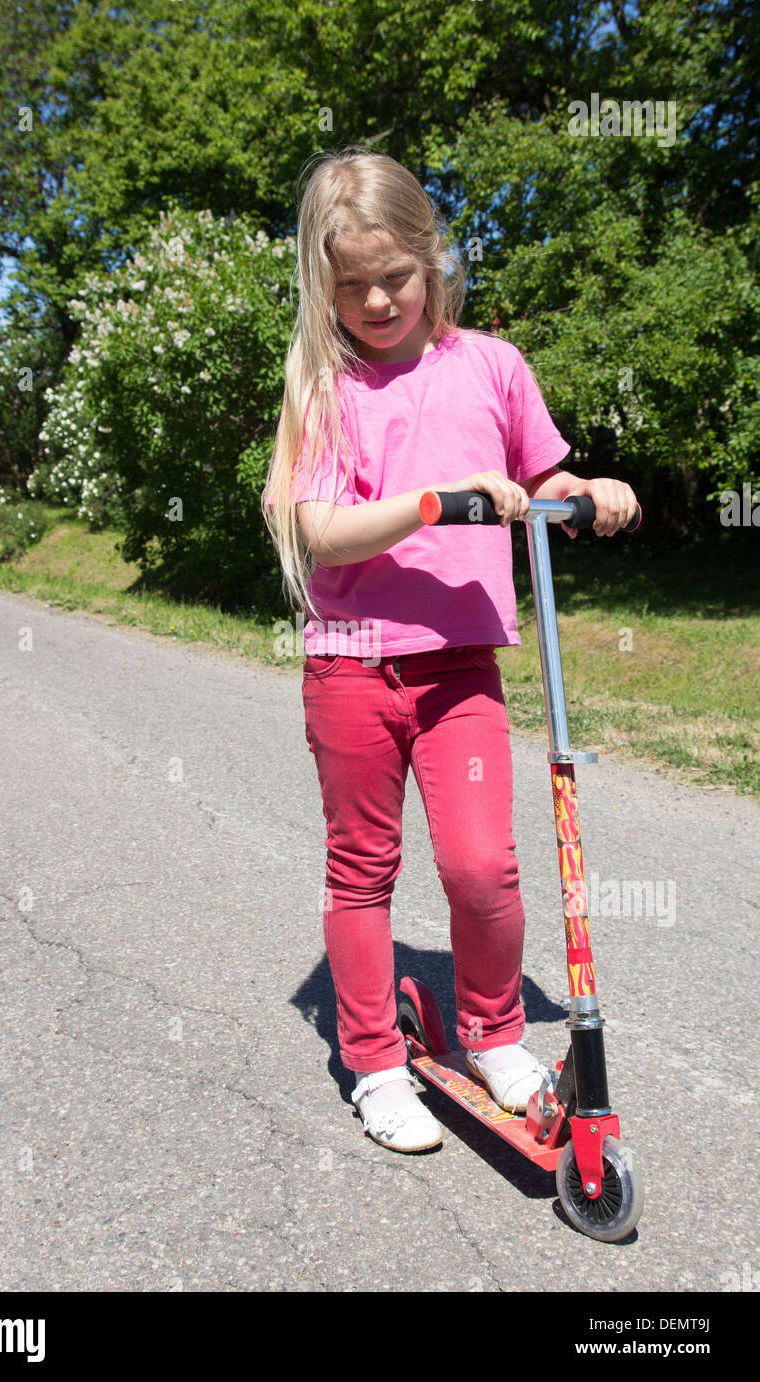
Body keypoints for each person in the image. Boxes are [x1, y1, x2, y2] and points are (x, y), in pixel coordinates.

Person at [261, 148, 638, 1153]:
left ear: (432, 262)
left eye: (395, 275)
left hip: (456, 666)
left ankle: (492, 1033)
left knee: (481, 866)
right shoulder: (325, 389)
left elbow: (544, 479)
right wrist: (431, 502)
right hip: (349, 663)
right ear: (322, 286)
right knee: (362, 868)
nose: (378, 299)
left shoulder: (489, 366)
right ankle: (375, 1062)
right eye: (351, 285)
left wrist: (587, 495)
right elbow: (318, 532)